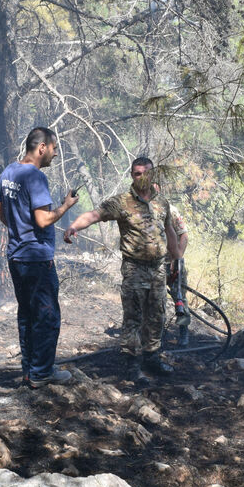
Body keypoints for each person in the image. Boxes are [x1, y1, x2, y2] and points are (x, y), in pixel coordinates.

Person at [64, 158, 181, 380]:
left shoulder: (162, 203)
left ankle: (152, 359)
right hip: (134, 269)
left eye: (146, 173)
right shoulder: (121, 202)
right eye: (137, 173)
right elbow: (94, 215)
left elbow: (169, 231)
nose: (142, 177)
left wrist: (176, 258)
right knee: (133, 318)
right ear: (132, 176)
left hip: (158, 269)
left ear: (153, 174)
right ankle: (132, 365)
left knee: (157, 316)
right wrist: (73, 226)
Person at [0, 127, 78, 388]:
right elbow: (43, 219)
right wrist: (65, 206)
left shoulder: (9, 172)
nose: (54, 155)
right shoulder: (36, 177)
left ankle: (29, 370)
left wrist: (18, 228)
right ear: (42, 147)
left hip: (17, 257)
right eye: (54, 149)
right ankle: (42, 373)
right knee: (46, 315)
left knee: (27, 315)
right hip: (37, 259)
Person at [165, 201, 192, 348]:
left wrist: (177, 258)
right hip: (154, 265)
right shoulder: (143, 209)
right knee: (155, 300)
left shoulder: (171, 211)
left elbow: (184, 236)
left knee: (180, 300)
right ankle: (157, 334)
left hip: (173, 264)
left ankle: (183, 332)